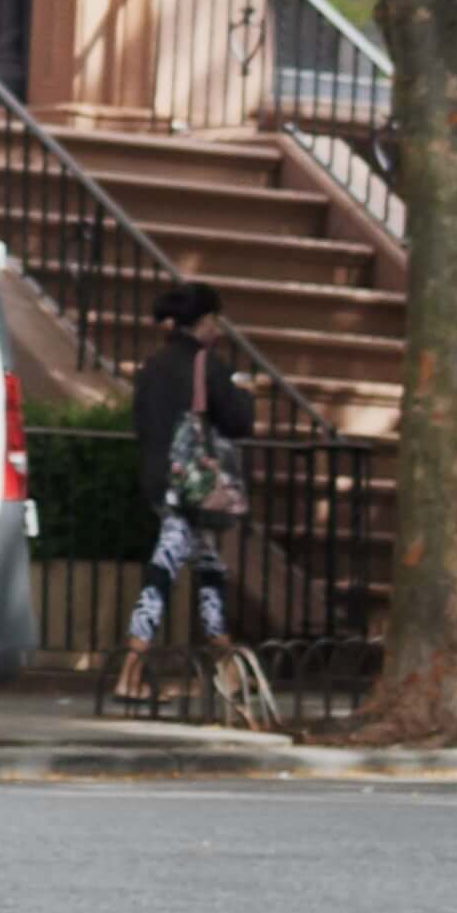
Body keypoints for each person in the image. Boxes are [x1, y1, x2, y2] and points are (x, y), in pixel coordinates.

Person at [113, 280, 258, 701]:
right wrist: (246, 394)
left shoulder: (153, 365)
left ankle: (226, 664)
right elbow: (237, 422)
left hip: (163, 480)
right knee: (165, 569)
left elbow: (141, 423)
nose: (218, 328)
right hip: (193, 487)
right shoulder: (205, 364)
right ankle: (130, 670)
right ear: (203, 321)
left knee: (210, 568)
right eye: (215, 319)